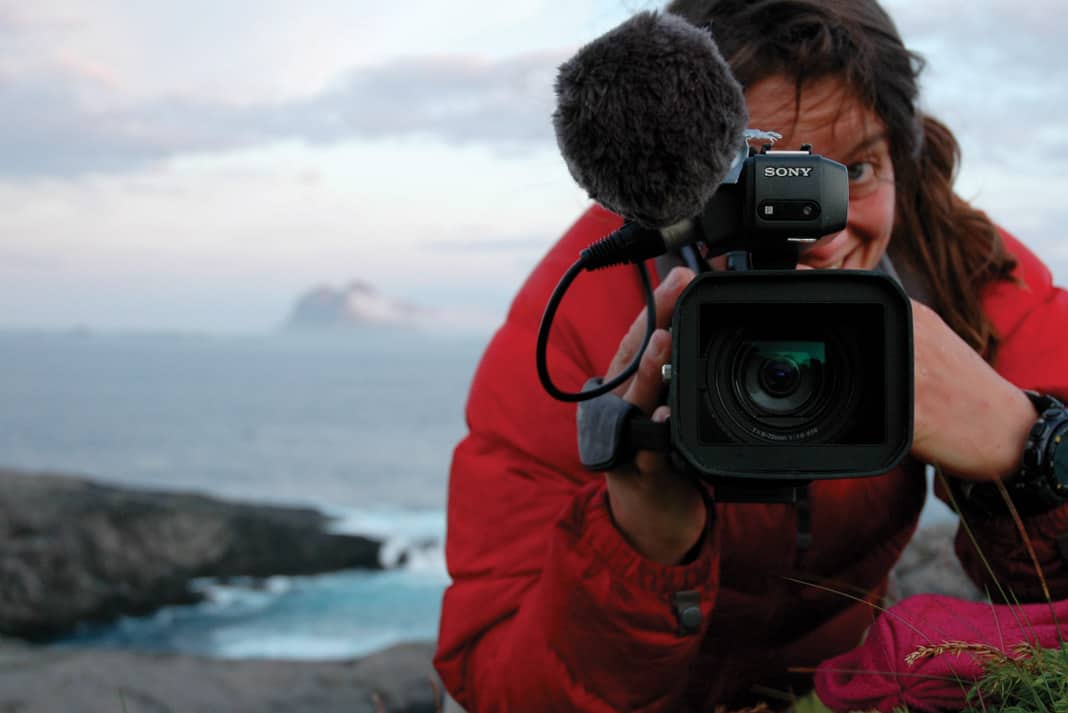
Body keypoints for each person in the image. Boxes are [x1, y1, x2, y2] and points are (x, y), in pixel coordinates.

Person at [434, 0, 1068, 709]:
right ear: (675, 174)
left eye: (855, 170)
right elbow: (494, 672)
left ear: (903, 158)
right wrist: (639, 539)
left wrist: (1028, 445)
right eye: (758, 176)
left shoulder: (955, 268)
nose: (817, 234)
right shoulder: (586, 317)